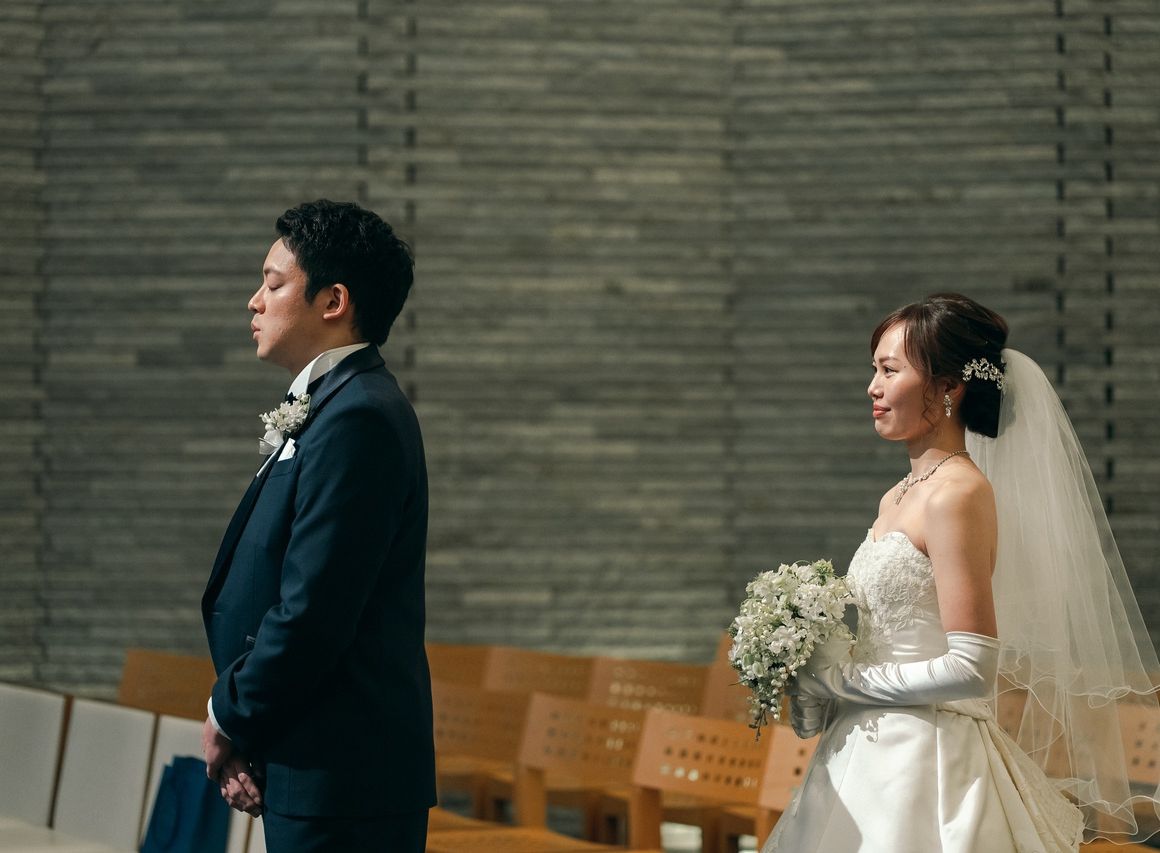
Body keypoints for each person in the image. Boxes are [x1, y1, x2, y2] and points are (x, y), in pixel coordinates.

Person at [763, 293, 1160, 853]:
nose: (873, 387)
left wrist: (842, 682)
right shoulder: (897, 495)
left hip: (926, 760)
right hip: (864, 745)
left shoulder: (958, 494)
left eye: (890, 370)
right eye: (874, 370)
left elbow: (972, 667)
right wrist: (816, 671)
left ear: (949, 386)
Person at [200, 200, 435, 852]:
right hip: (311, 759)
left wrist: (230, 713)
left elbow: (314, 607)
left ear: (333, 301)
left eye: (273, 284)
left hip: (345, 777)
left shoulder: (360, 416)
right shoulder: (333, 404)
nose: (254, 302)